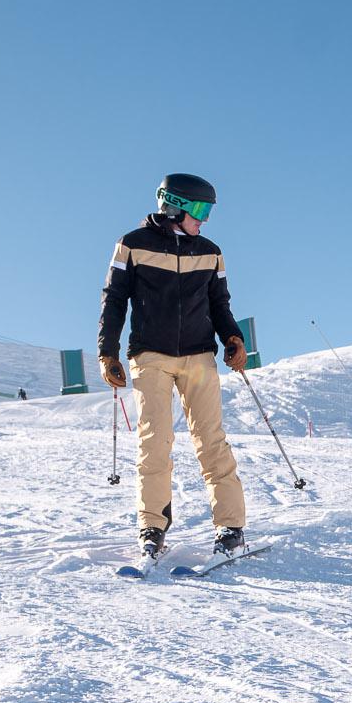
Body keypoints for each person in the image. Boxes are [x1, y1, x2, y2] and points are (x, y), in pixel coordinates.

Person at [97, 173, 249, 564]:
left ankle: (230, 528)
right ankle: (152, 528)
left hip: (198, 355)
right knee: (155, 441)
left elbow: (220, 305)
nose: (204, 219)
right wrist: (108, 353)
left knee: (211, 440)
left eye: (209, 210)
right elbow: (114, 299)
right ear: (173, 206)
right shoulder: (132, 245)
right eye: (199, 210)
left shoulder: (211, 251)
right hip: (150, 355)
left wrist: (232, 338)